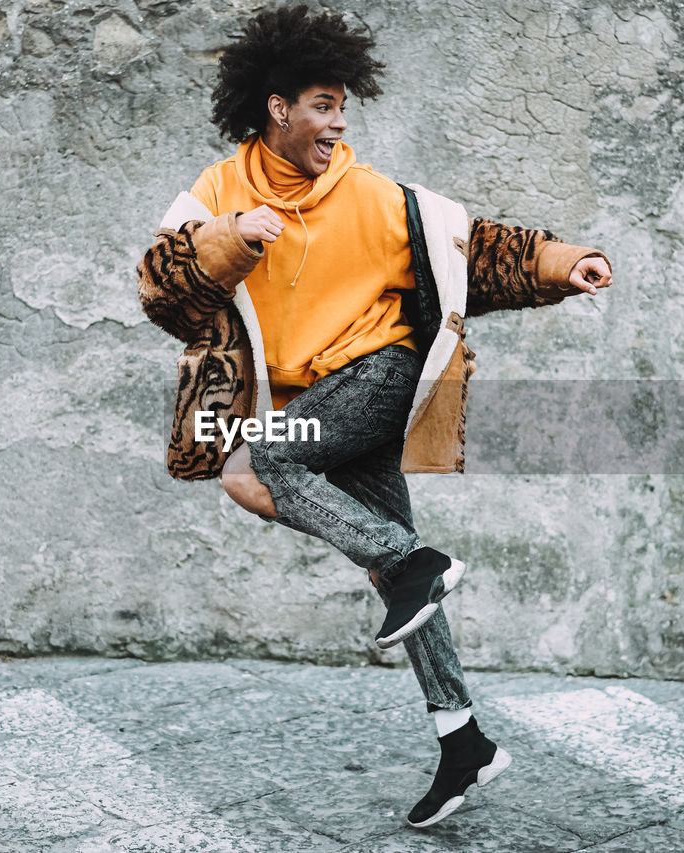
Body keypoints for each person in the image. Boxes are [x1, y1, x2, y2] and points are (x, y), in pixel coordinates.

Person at [135, 4, 612, 829]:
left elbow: (477, 246)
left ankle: (411, 558)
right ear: (278, 108)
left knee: (258, 465)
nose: (338, 120)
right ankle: (465, 741)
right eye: (322, 103)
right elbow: (157, 286)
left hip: (383, 375)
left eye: (342, 104)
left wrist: (566, 263)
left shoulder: (371, 195)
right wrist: (229, 240)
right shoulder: (216, 190)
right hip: (316, 401)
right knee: (407, 590)